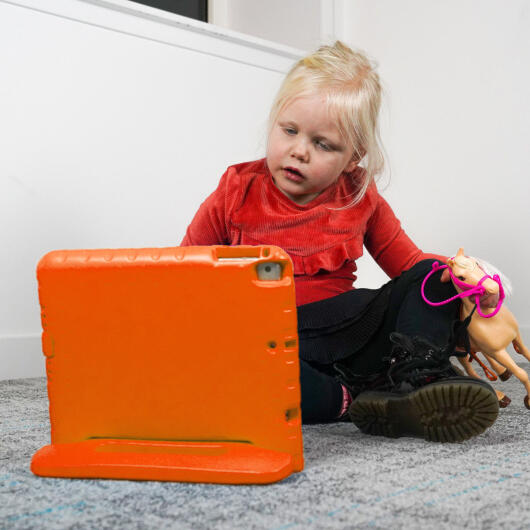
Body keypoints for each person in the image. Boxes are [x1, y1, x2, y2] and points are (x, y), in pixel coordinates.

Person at [180, 41, 499, 442]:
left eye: (323, 144)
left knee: (434, 274)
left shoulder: (359, 197)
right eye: (289, 130)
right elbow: (183, 272)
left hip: (348, 332)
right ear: (274, 121)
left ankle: (418, 376)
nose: (299, 151)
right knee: (233, 361)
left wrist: (469, 280)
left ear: (353, 157)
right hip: (269, 340)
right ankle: (349, 399)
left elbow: (409, 265)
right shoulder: (235, 192)